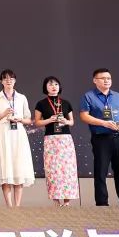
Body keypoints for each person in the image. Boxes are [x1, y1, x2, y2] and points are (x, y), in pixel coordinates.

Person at [79, 68, 119, 207]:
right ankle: (102, 202)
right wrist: (104, 123)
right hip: (101, 139)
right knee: (101, 171)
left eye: (108, 78)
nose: (106, 81)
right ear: (95, 80)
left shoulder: (118, 96)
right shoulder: (88, 96)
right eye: (103, 78)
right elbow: (84, 116)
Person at [0, 70, 35, 207]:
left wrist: (20, 119)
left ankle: (17, 206)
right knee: (5, 166)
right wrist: (3, 114)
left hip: (18, 134)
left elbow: (28, 119)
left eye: (11, 78)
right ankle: (9, 206)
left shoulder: (21, 97)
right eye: (5, 78)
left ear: (15, 81)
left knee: (18, 166)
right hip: (3, 134)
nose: (8, 81)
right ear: (1, 81)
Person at [33, 76, 78, 207]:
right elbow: (37, 122)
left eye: (56, 84)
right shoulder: (41, 104)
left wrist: (65, 121)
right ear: (45, 87)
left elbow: (72, 122)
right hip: (51, 140)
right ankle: (56, 201)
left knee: (68, 169)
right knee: (52, 170)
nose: (54, 87)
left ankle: (67, 201)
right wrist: (49, 120)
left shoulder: (66, 103)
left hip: (65, 140)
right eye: (50, 84)